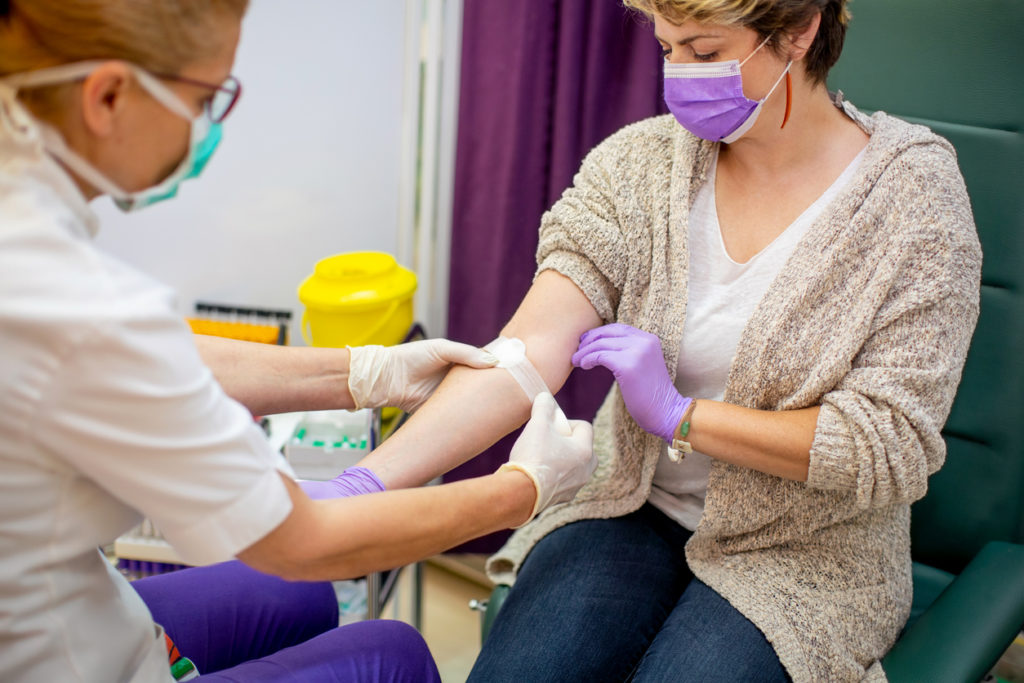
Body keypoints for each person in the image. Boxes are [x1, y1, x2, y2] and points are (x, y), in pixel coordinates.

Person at [354, 0, 983, 680]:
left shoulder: (915, 200)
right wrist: (366, 483)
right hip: (631, 500)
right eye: (666, 48)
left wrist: (687, 417)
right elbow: (524, 352)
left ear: (800, 31)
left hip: (807, 550)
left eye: (705, 53)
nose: (679, 74)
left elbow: (888, 443)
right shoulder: (641, 166)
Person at [0, 1, 597, 681]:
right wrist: (521, 489)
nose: (208, 126)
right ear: (107, 95)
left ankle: (350, 486)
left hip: (66, 604)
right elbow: (301, 542)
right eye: (207, 98)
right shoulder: (74, 303)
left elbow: (147, 357)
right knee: (390, 651)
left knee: (307, 589)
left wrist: (363, 371)